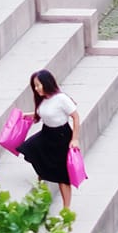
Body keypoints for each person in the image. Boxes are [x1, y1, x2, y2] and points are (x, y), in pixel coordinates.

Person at [20, 70, 82, 212]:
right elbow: (41, 115)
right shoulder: (43, 99)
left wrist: (75, 139)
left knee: (62, 175)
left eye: (38, 85)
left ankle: (66, 208)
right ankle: (42, 179)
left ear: (46, 83)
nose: (36, 89)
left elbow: (76, 117)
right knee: (29, 148)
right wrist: (26, 115)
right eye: (34, 86)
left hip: (61, 136)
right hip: (46, 134)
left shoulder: (61, 99)